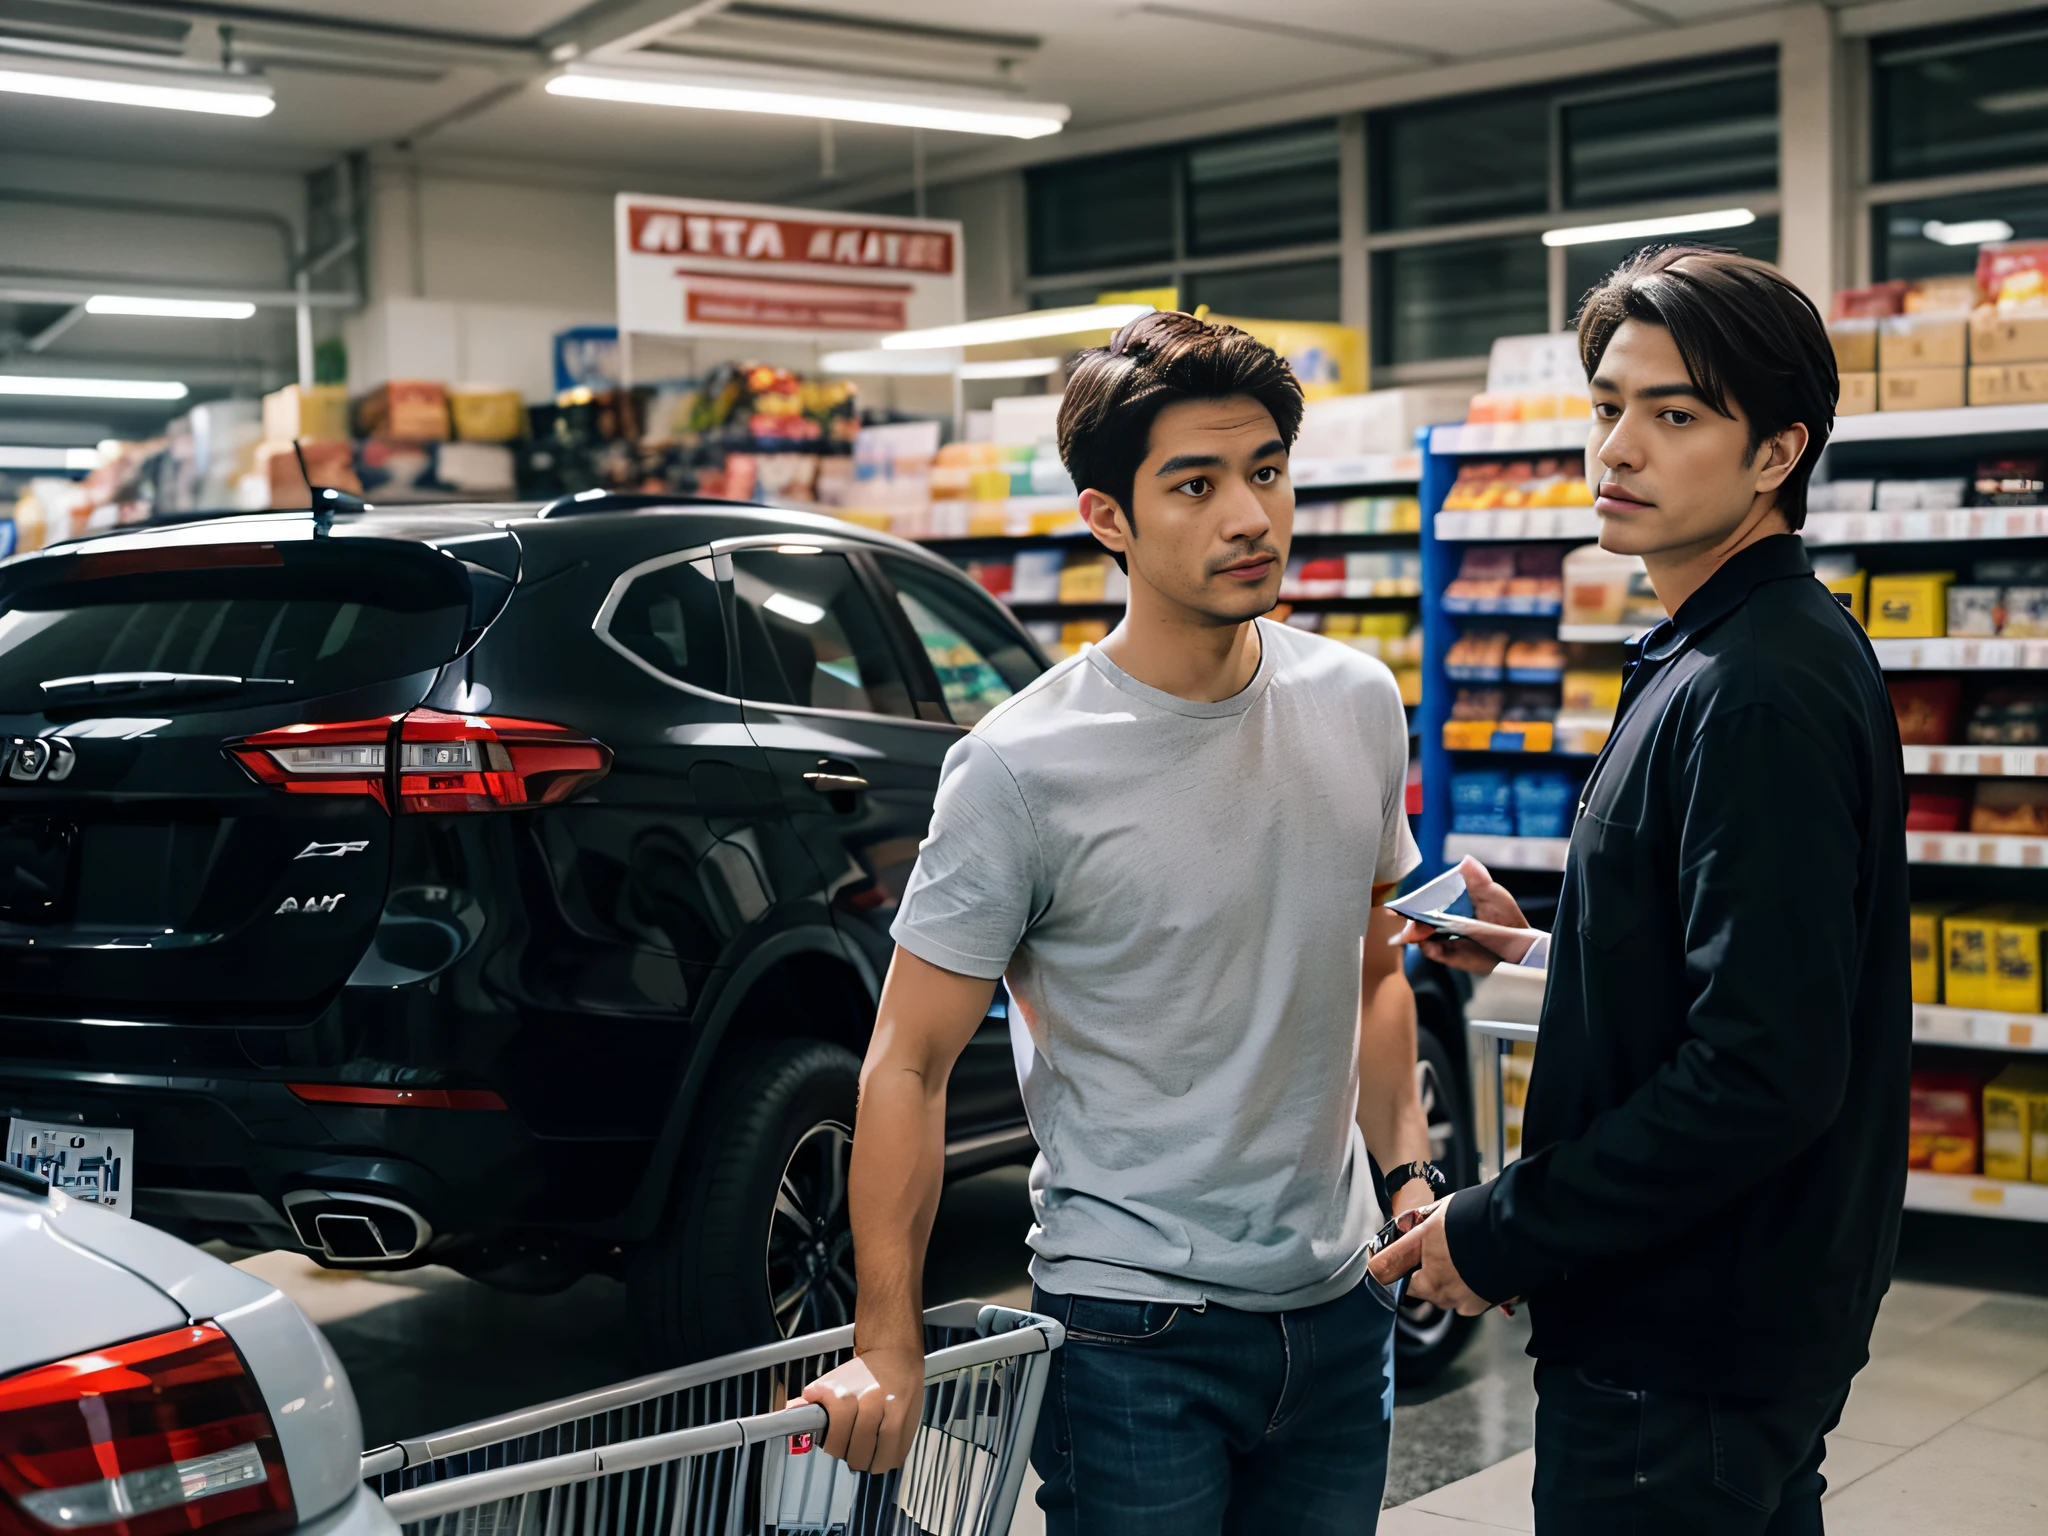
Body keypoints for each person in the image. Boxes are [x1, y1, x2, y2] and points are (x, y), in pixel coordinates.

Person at [801, 310, 1443, 1531]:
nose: (1248, 516)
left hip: (1338, 1306)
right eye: (1193, 485)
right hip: (1131, 1326)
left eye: (1263, 472)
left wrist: (1406, 1175)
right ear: (1108, 518)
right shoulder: (1018, 768)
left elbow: (1371, 975)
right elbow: (909, 1061)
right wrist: (884, 1341)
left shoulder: (1357, 700)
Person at [1372, 246, 1910, 1535]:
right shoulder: (1717, 647)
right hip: (1730, 1321)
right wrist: (1550, 955)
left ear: (1775, 454)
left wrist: (1498, 1229)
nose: (1617, 446)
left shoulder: (1754, 689)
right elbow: (1740, 968)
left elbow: (1760, 1069)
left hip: (1683, 1341)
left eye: (1674, 415)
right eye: (1607, 404)